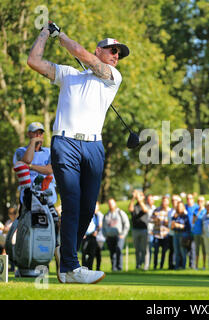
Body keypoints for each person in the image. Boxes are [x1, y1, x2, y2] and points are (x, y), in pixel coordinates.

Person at [27, 21, 129, 283]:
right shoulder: (68, 74)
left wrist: (63, 36)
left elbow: (82, 54)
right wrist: (45, 34)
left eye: (119, 53)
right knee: (72, 202)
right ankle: (70, 268)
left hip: (94, 146)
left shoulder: (112, 77)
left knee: (87, 208)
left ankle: (66, 251)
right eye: (112, 50)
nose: (116, 56)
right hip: (66, 144)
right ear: (99, 50)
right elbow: (34, 61)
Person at [103, 198, 130, 271]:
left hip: (119, 236)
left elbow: (126, 224)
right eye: (109, 203)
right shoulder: (106, 215)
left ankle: (119, 268)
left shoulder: (120, 213)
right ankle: (114, 268)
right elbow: (103, 226)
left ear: (115, 203)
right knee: (112, 253)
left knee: (118, 250)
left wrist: (123, 234)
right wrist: (105, 235)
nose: (111, 205)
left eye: (112, 203)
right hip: (109, 237)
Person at [129, 190, 149, 270]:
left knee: (144, 249)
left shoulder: (145, 204)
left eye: (140, 195)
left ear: (143, 197)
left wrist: (139, 199)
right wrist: (133, 198)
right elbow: (130, 209)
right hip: (135, 230)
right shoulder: (134, 205)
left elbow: (145, 210)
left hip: (144, 230)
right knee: (137, 249)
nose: (138, 196)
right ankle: (138, 265)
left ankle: (145, 266)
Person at [151, 196, 170, 269]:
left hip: (165, 234)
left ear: (168, 202)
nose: (163, 203)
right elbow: (150, 220)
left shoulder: (169, 211)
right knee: (155, 251)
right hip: (156, 234)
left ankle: (161, 266)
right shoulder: (156, 210)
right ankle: (155, 266)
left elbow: (171, 223)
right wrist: (156, 219)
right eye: (163, 201)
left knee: (164, 252)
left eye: (165, 201)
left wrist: (166, 222)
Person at [171, 201, 191, 270]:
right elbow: (172, 226)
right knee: (176, 251)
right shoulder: (175, 216)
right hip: (175, 234)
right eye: (178, 206)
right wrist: (175, 225)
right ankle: (176, 266)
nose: (179, 208)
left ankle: (183, 266)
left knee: (183, 251)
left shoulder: (185, 216)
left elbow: (187, 227)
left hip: (183, 235)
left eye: (181, 206)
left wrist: (179, 225)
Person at [192, 196, 207, 269]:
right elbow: (193, 221)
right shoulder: (195, 211)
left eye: (201, 201)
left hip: (203, 233)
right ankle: (196, 265)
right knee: (197, 249)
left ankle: (204, 265)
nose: (200, 203)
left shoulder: (205, 211)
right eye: (198, 201)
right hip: (196, 232)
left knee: (204, 249)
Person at [185, 194, 199, 269]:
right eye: (187, 198)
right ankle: (184, 264)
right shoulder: (185, 207)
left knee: (193, 248)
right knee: (186, 249)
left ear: (193, 199)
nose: (188, 200)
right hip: (186, 231)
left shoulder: (197, 207)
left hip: (194, 231)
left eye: (190, 198)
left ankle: (192, 265)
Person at [167, 195, 181, 270]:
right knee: (171, 250)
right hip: (171, 233)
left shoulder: (182, 210)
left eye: (175, 200)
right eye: (172, 200)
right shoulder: (170, 211)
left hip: (179, 233)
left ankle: (178, 265)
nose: (173, 202)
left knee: (179, 250)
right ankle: (171, 265)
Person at [144, 194, 156, 271]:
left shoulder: (156, 209)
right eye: (148, 199)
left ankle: (155, 266)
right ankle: (146, 266)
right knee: (147, 250)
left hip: (155, 232)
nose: (149, 201)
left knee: (155, 250)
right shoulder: (145, 208)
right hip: (147, 232)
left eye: (151, 199)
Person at [94, 202, 105, 271]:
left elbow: (100, 225)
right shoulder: (90, 214)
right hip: (91, 237)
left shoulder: (100, 215)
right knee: (90, 254)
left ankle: (98, 268)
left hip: (99, 238)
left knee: (98, 254)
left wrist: (96, 231)